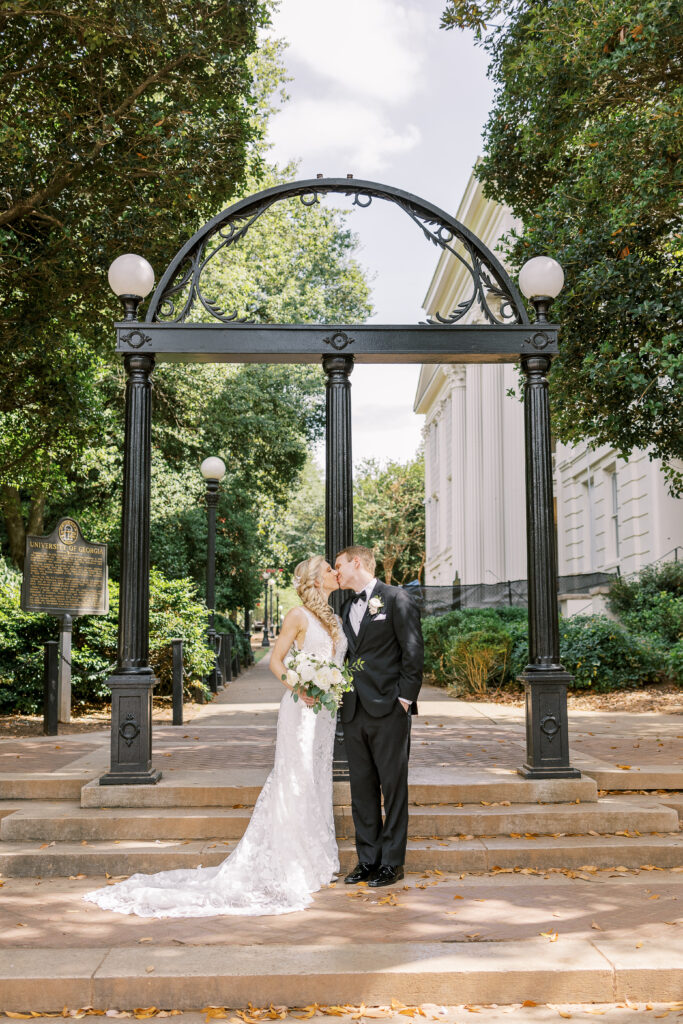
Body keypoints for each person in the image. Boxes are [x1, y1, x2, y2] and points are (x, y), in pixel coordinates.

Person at [83, 555, 345, 918]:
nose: (336, 572)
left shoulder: (333, 618)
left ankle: (313, 859)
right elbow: (276, 662)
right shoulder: (298, 615)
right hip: (301, 710)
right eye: (330, 569)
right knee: (296, 781)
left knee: (316, 779)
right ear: (317, 579)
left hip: (325, 714)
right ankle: (291, 863)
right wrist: (300, 688)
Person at [335, 545, 423, 888]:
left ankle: (392, 863)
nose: (336, 572)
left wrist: (403, 701)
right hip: (353, 712)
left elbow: (413, 653)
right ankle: (367, 860)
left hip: (389, 710)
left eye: (339, 565)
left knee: (393, 788)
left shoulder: (397, 599)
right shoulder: (345, 606)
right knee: (362, 791)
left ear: (357, 562)